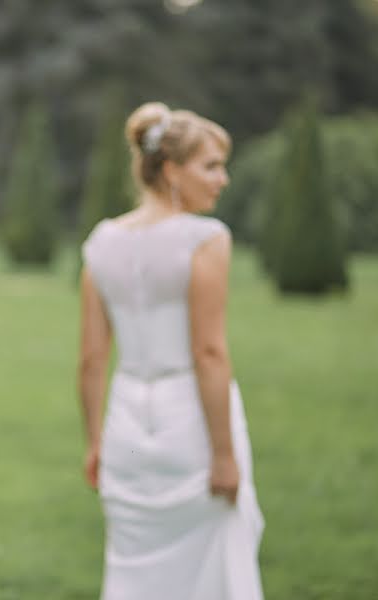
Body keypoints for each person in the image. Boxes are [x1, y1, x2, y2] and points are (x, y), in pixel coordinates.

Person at [78, 102, 264, 599]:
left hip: (126, 425)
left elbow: (92, 359)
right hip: (192, 426)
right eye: (211, 166)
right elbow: (208, 352)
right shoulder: (205, 238)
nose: (222, 179)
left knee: (133, 573)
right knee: (213, 568)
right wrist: (224, 455)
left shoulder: (101, 242)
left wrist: (95, 442)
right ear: (172, 170)